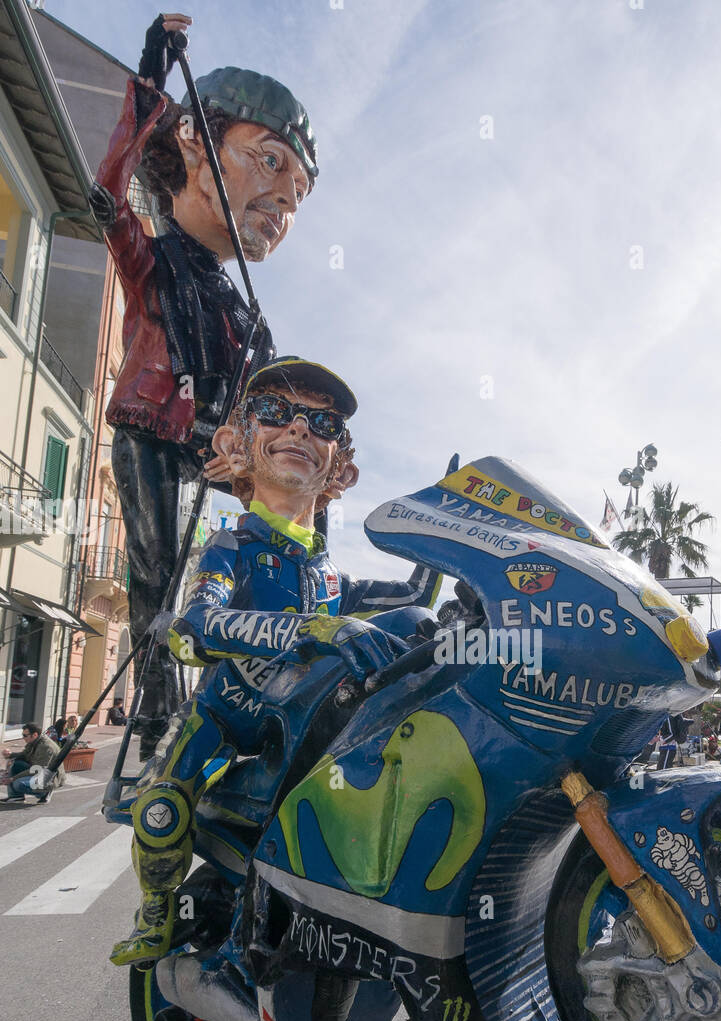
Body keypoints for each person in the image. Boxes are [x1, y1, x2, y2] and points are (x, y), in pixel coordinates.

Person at [109, 357, 440, 967]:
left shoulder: (330, 574)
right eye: (274, 412)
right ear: (238, 442)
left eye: (322, 423)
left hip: (302, 725)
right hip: (223, 714)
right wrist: (312, 628)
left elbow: (415, 601)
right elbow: (193, 629)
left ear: (340, 465)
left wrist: (446, 539)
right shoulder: (231, 545)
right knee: (160, 811)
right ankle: (157, 912)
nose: (298, 430)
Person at [89, 13, 318, 759]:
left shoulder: (240, 306)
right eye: (270, 164)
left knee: (277, 534)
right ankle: (160, 713)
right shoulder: (151, 255)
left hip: (211, 449)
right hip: (154, 429)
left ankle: (259, 682)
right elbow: (107, 197)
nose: (283, 203)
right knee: (160, 568)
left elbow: (262, 400)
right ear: (193, 141)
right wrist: (154, 72)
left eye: (297, 195)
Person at [3, 724, 66, 804]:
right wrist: (10, 755)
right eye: (23, 735)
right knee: (16, 763)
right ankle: (16, 796)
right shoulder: (34, 741)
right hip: (37, 769)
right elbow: (24, 754)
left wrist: (13, 778)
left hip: (50, 777)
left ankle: (45, 792)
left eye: (25, 735)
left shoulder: (46, 747)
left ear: (35, 735)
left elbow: (38, 769)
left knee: (18, 783)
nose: (23, 737)